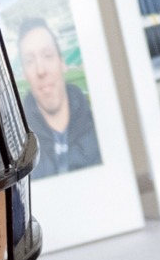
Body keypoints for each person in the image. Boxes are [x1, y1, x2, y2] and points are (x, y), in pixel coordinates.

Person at [14, 19, 104, 178]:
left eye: (47, 56)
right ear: (24, 74)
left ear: (62, 63)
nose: (40, 70)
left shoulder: (102, 131)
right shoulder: (17, 153)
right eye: (29, 61)